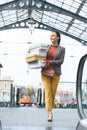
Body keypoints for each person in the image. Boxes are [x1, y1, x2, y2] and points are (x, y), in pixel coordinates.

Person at [41, 31, 65, 122]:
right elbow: (41, 56)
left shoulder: (62, 49)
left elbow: (61, 61)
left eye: (53, 35)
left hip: (55, 72)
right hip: (45, 72)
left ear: (58, 38)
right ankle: (49, 113)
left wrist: (49, 62)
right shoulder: (46, 47)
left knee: (52, 93)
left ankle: (49, 110)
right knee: (47, 92)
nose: (51, 37)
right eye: (50, 36)